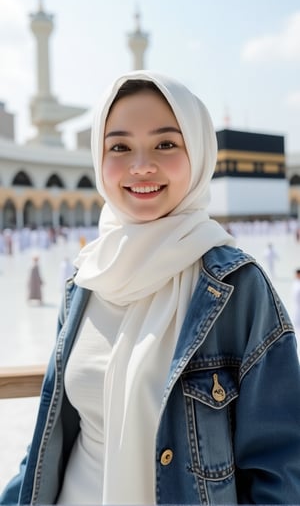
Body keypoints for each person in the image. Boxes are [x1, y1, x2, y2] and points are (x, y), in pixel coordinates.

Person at [1, 70, 300, 505]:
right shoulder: (84, 281)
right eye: (119, 146)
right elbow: (48, 441)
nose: (142, 165)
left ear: (197, 154)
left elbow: (282, 469)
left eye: (166, 144)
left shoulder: (237, 289)